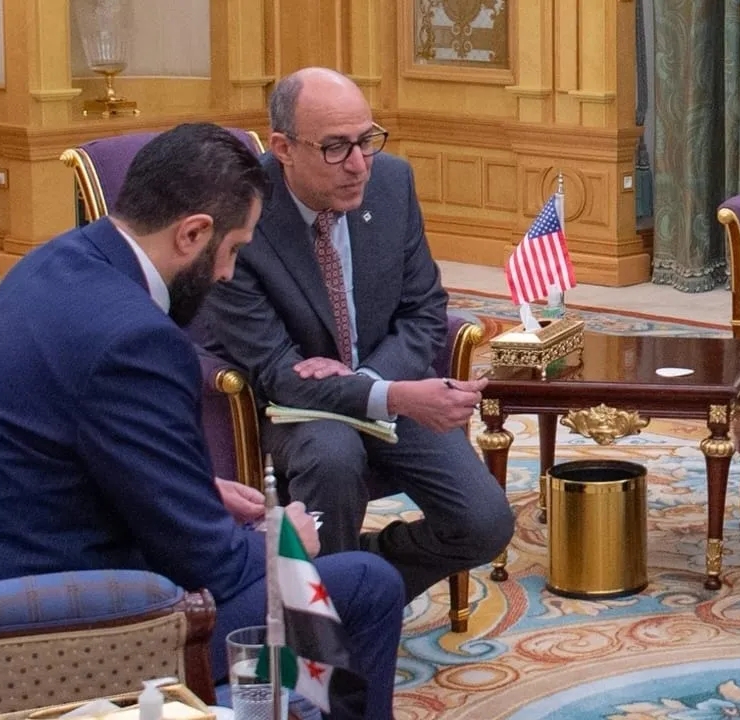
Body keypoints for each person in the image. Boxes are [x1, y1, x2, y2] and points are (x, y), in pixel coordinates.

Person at [0, 124, 404, 718]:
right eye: (233, 250)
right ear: (192, 233)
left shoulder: (53, 261)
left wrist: (195, 489)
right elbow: (213, 564)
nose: (228, 273)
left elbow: (70, 447)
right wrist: (287, 542)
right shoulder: (137, 341)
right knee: (365, 584)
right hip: (39, 634)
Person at [196, 68, 514, 604]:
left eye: (366, 140)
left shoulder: (391, 182)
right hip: (292, 409)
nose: (359, 164)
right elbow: (277, 371)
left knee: (485, 523)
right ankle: (329, 630)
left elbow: (424, 309)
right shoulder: (240, 211)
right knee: (334, 455)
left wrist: (372, 383)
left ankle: (358, 579)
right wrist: (389, 395)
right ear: (283, 148)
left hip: (388, 378)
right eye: (336, 147)